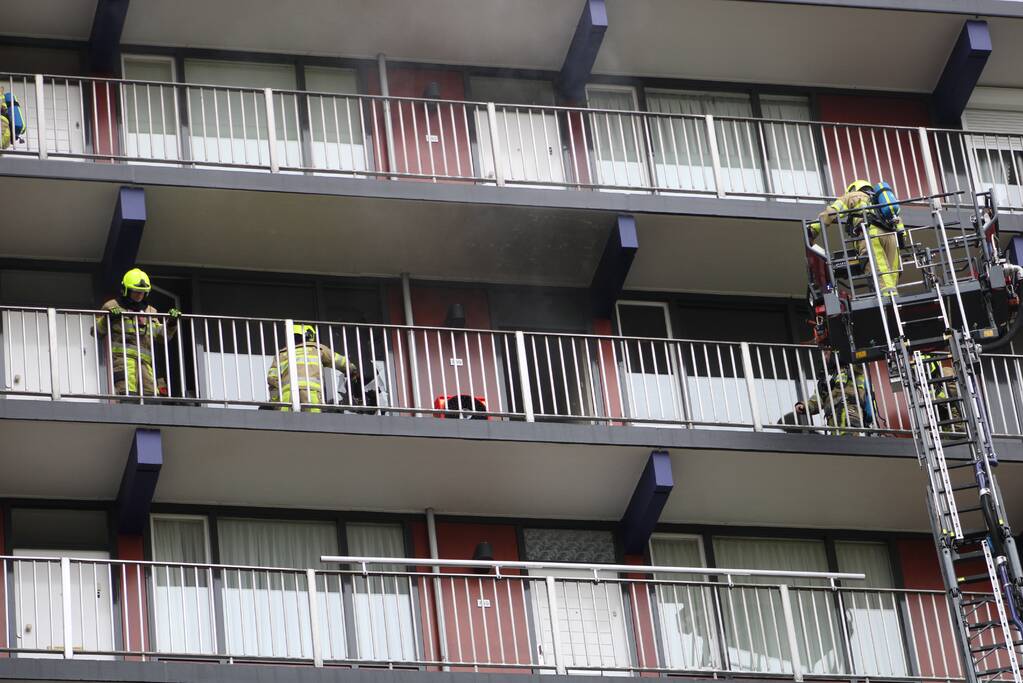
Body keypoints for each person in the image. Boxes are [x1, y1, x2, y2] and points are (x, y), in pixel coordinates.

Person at [810, 179, 907, 295]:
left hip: (871, 235)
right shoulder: (881, 202)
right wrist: (902, 239)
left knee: (879, 270)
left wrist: (812, 229)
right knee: (892, 274)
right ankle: (893, 300)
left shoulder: (856, 196)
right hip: (891, 237)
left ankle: (888, 299)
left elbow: (832, 211)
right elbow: (900, 225)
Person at [96, 268, 180, 397]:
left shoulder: (150, 311)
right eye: (136, 292)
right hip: (122, 362)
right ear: (126, 290)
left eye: (142, 292)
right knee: (127, 395)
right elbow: (96, 331)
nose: (139, 296)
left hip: (145, 365)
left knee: (150, 396)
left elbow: (162, 337)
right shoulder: (112, 306)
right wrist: (109, 318)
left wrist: (171, 323)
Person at [267, 324, 359, 412]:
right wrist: (352, 370)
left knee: (285, 424)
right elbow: (340, 361)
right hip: (311, 393)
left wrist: (275, 402)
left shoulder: (282, 354)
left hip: (287, 395)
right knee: (314, 421)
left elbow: (272, 379)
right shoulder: (316, 348)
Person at [795, 351, 868, 435]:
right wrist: (804, 406)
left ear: (835, 353)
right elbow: (817, 400)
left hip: (849, 412)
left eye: (826, 353)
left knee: (849, 441)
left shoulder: (852, 368)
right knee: (838, 445)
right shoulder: (826, 379)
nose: (824, 357)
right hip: (832, 420)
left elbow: (860, 357)